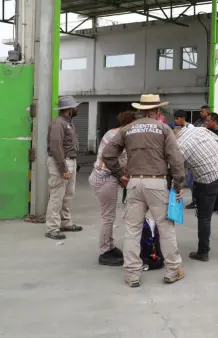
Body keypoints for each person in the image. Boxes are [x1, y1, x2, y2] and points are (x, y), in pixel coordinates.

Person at [102, 94, 186, 288]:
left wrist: (119, 174)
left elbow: (108, 154)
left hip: (133, 183)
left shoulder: (127, 129)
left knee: (133, 230)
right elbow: (175, 159)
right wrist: (178, 185)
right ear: (157, 111)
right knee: (165, 228)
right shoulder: (164, 129)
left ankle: (132, 274)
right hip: (156, 183)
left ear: (141, 110)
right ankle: (173, 270)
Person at [174, 126, 218, 262]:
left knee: (204, 216)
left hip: (207, 179)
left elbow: (179, 169)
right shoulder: (199, 130)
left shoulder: (179, 145)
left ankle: (203, 252)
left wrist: (177, 186)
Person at [89, 111, 137, 266]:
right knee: (108, 217)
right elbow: (120, 160)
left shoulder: (112, 132)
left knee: (108, 216)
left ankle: (110, 246)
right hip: (105, 179)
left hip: (100, 177)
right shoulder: (121, 137)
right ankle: (104, 252)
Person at [45, 96, 83, 240]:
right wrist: (63, 168)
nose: (77, 109)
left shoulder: (67, 123)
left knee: (68, 195)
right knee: (57, 196)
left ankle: (65, 222)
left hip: (69, 161)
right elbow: (55, 146)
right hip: (61, 163)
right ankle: (52, 228)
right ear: (69, 109)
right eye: (75, 107)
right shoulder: (58, 124)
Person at [173, 110, 196, 209]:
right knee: (190, 181)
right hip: (185, 159)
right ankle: (195, 200)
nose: (176, 121)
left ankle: (196, 201)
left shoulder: (190, 128)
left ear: (183, 118)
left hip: (192, 158)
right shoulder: (179, 128)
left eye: (177, 118)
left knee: (191, 181)